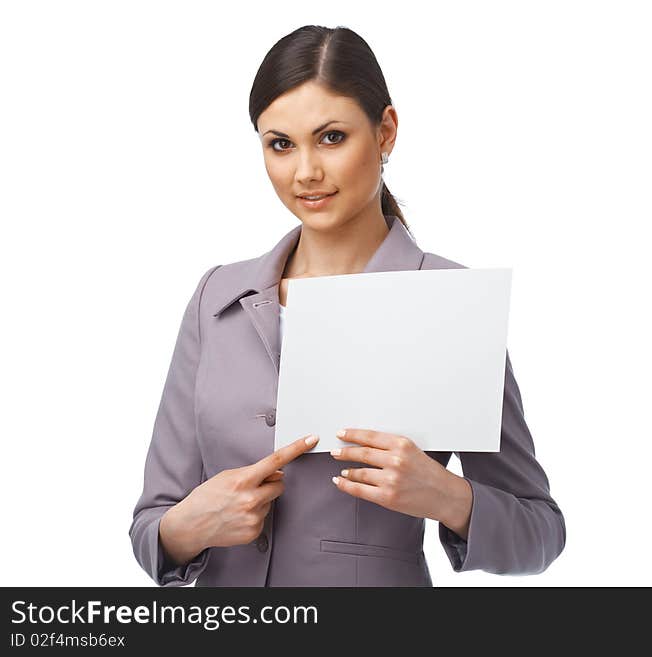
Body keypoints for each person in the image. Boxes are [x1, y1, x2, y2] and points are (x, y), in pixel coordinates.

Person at [129, 25, 565, 587]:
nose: (305, 171)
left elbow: (541, 531)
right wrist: (189, 525)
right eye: (280, 144)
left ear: (385, 132)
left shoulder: (449, 304)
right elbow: (151, 526)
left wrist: (450, 498)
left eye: (331, 137)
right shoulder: (217, 297)